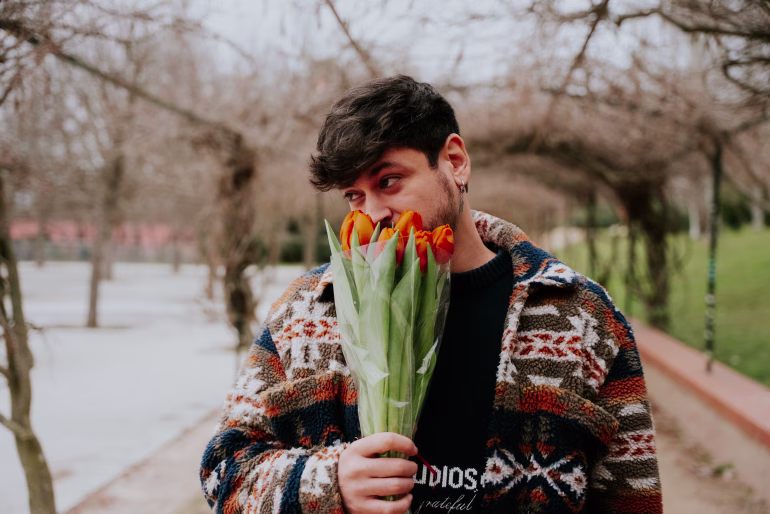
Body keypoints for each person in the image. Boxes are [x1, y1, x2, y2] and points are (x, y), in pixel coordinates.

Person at [200, 75, 662, 514]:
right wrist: (329, 481)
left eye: (388, 181)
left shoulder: (580, 315)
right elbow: (223, 470)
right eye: (354, 197)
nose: (374, 213)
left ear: (455, 162)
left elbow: (634, 499)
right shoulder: (304, 311)